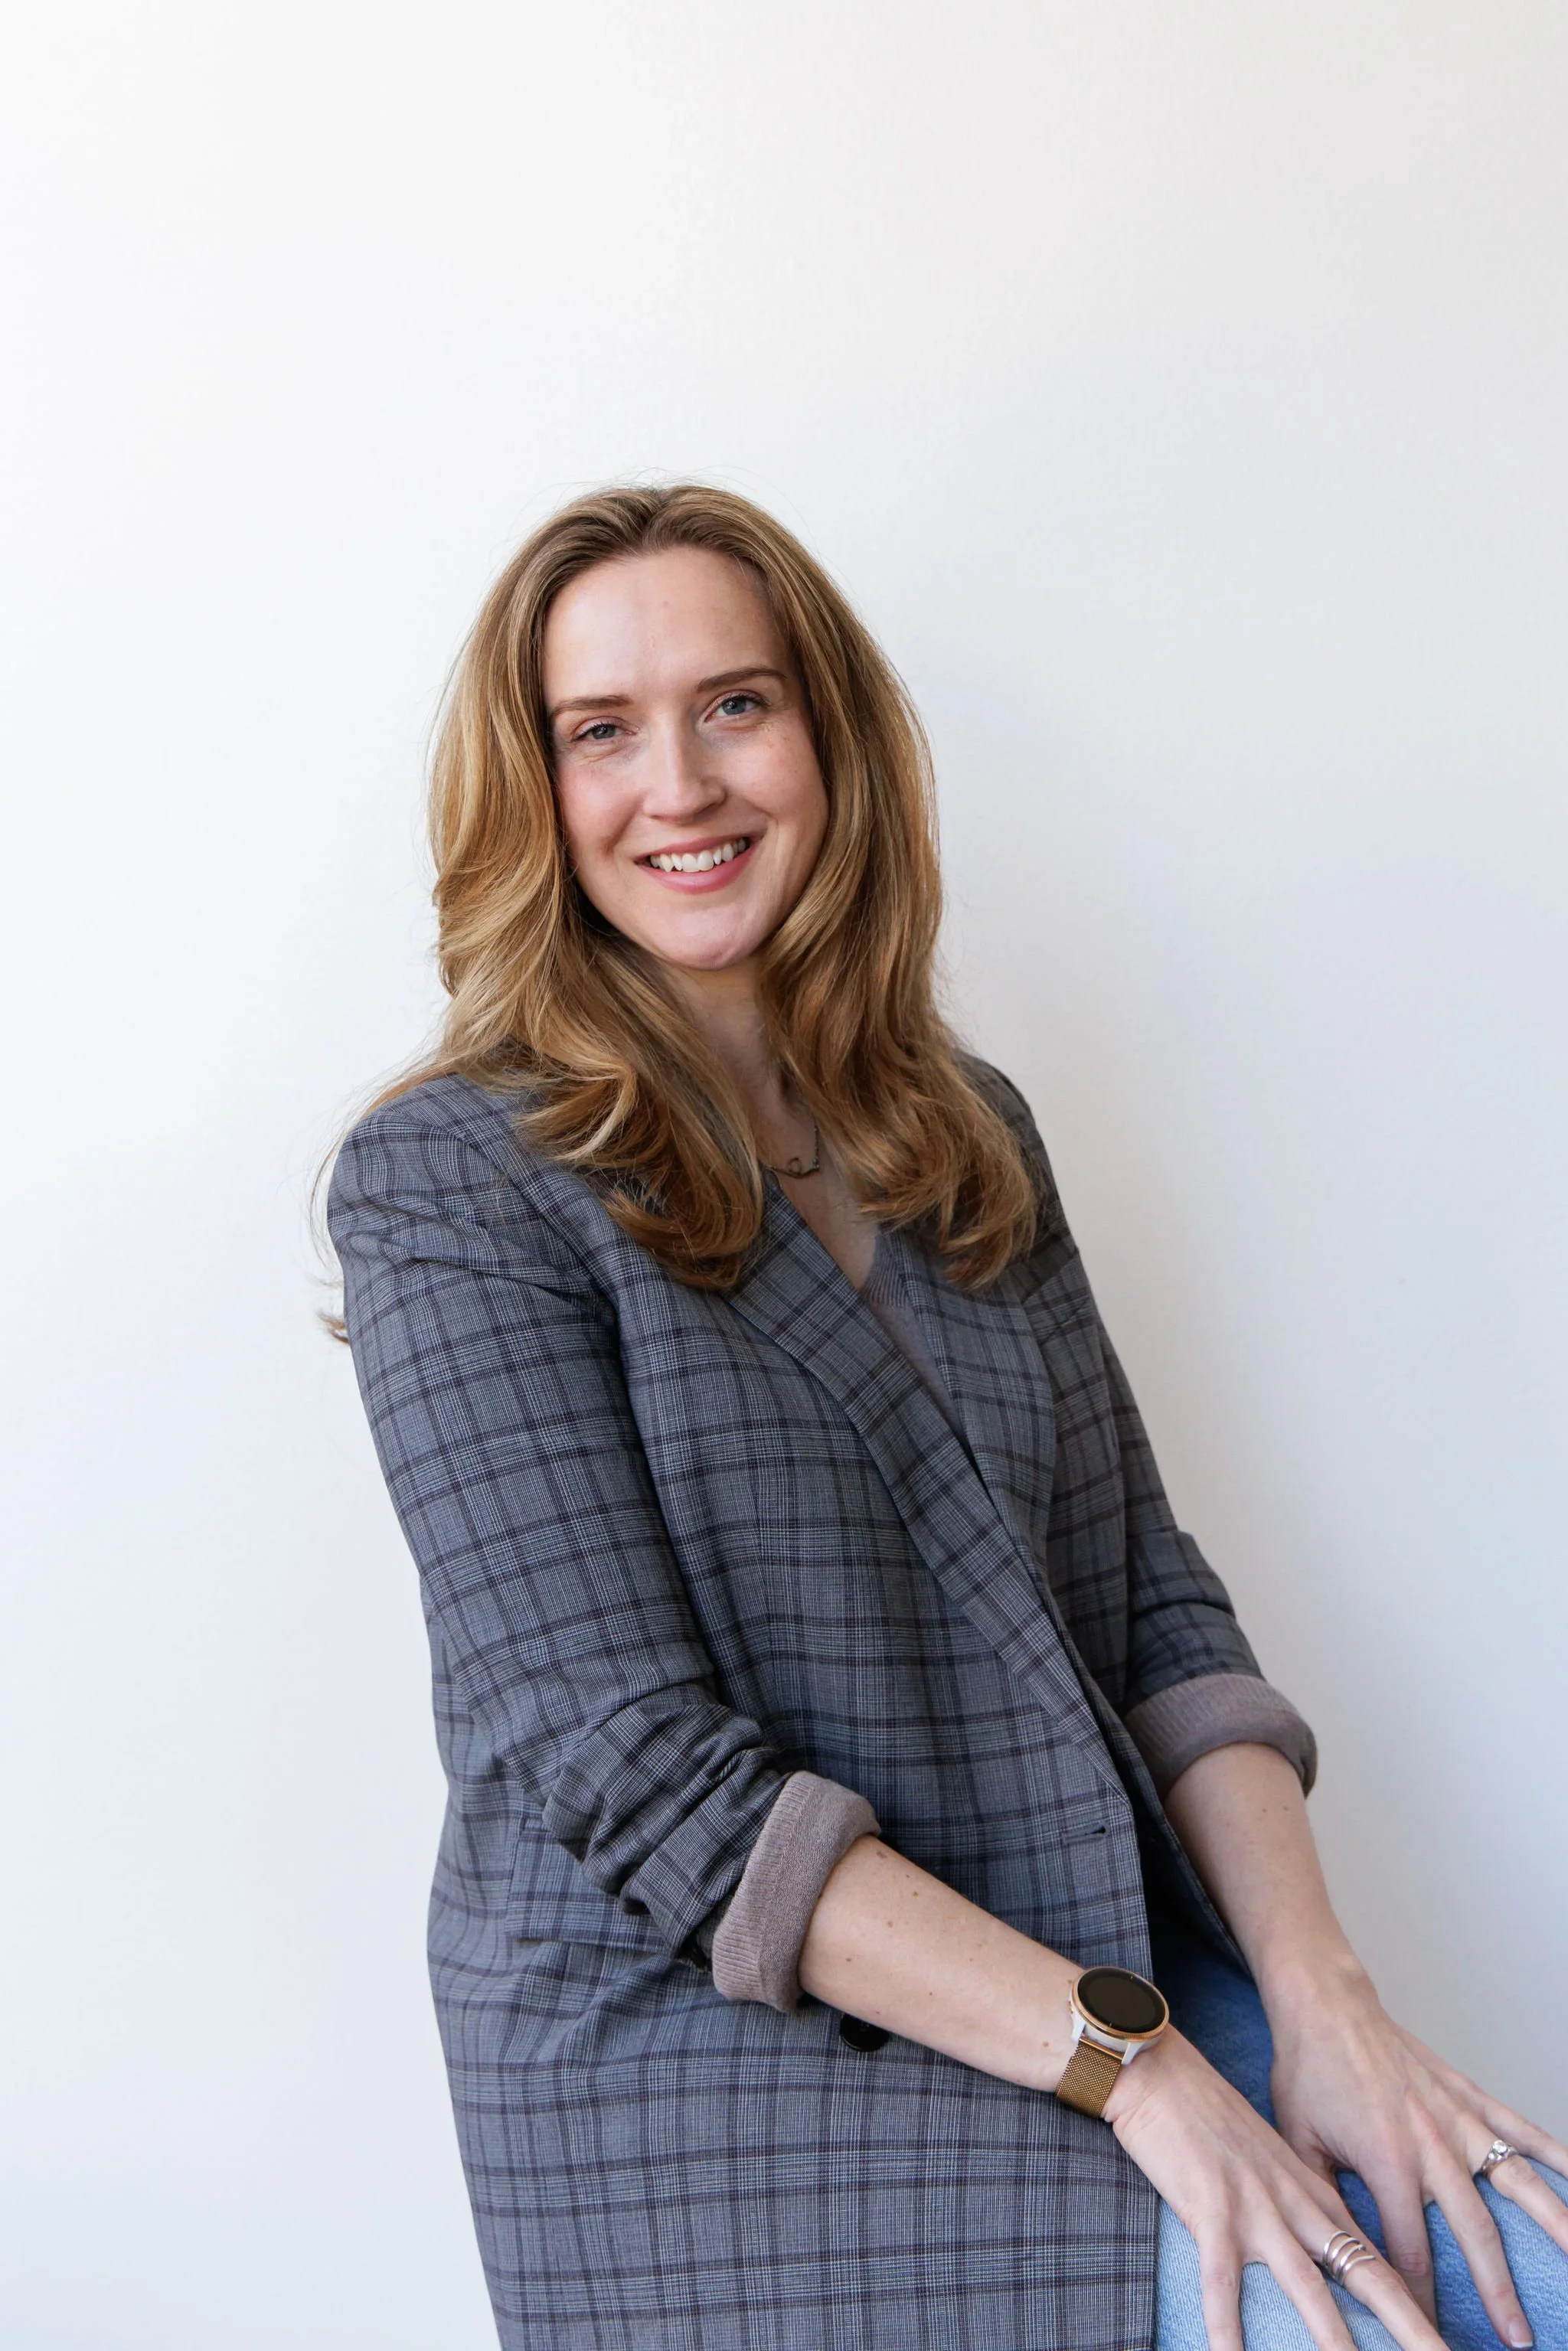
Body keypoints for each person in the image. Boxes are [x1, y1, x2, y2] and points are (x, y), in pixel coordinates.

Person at [327, 483, 1568, 2351]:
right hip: (722, 2058)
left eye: (734, 703)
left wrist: (1326, 2001)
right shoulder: (452, 1183)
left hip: (1069, 1938)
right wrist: (1147, 2075)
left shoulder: (958, 1128)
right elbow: (637, 1774)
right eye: (602, 729)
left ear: (827, 736)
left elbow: (1153, 1609)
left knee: (1529, 2275)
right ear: (537, 788)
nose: (680, 783)